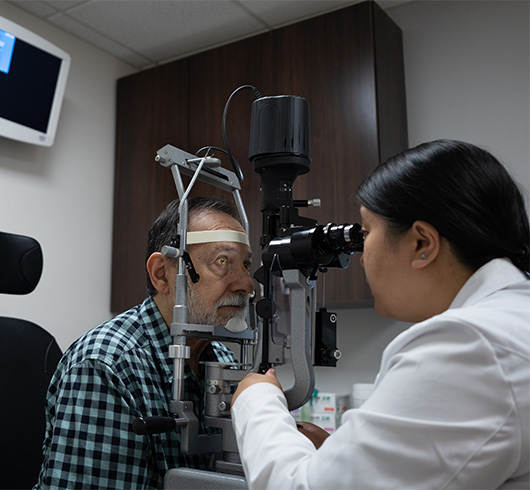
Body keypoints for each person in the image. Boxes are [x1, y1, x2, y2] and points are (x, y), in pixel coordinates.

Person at [231, 140, 530, 489]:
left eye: (368, 232)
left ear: (422, 244)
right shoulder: (510, 320)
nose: (361, 256)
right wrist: (347, 458)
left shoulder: (469, 345)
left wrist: (256, 399)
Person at [35, 196, 254, 489]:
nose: (246, 284)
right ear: (162, 274)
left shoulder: (224, 360)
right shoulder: (107, 365)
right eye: (223, 261)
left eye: (246, 265)